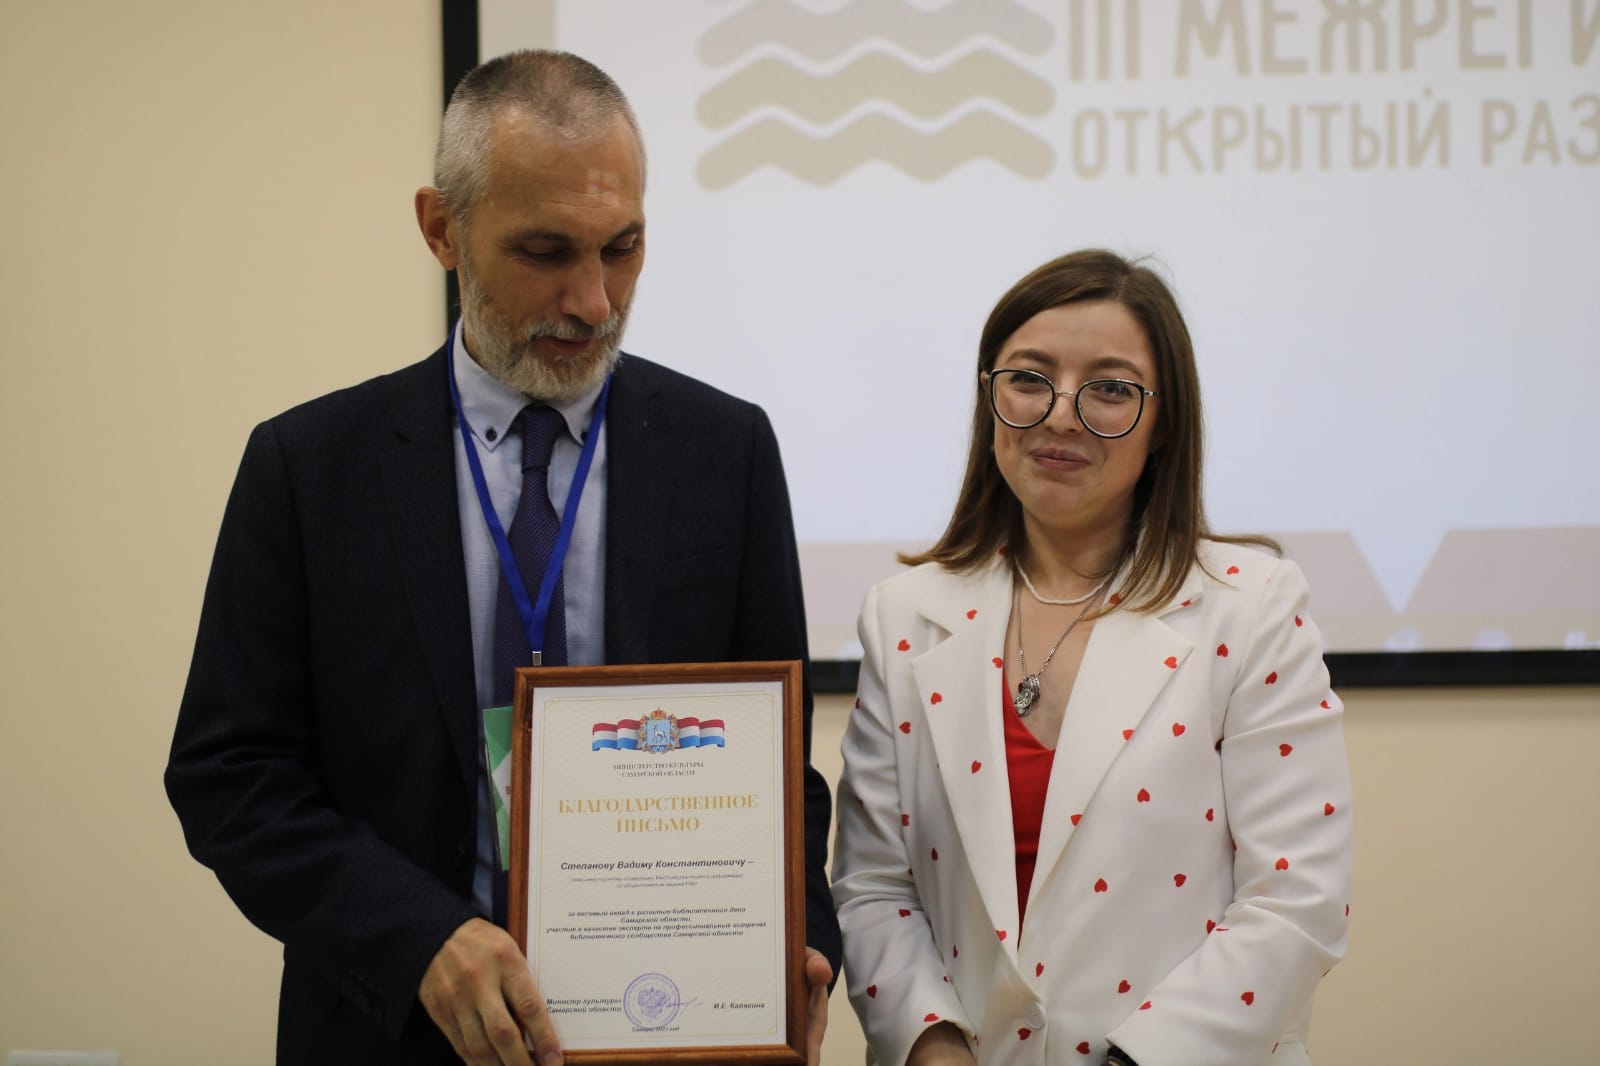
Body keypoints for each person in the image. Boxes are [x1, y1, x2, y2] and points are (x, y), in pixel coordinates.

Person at [166, 50, 839, 1066]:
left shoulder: (725, 452)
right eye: (545, 251)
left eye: (623, 248)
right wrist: (417, 937)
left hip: (669, 1031)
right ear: (441, 228)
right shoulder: (309, 468)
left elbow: (777, 762)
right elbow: (231, 777)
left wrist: (801, 944)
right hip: (394, 1033)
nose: (594, 300)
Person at [831, 250, 1353, 1066]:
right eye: (1028, 379)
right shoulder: (903, 615)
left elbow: (1296, 897)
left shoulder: (1251, 607)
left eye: (1110, 388)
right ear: (988, 397)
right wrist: (933, 1048)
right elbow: (873, 886)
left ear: (1164, 422)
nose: (1061, 416)